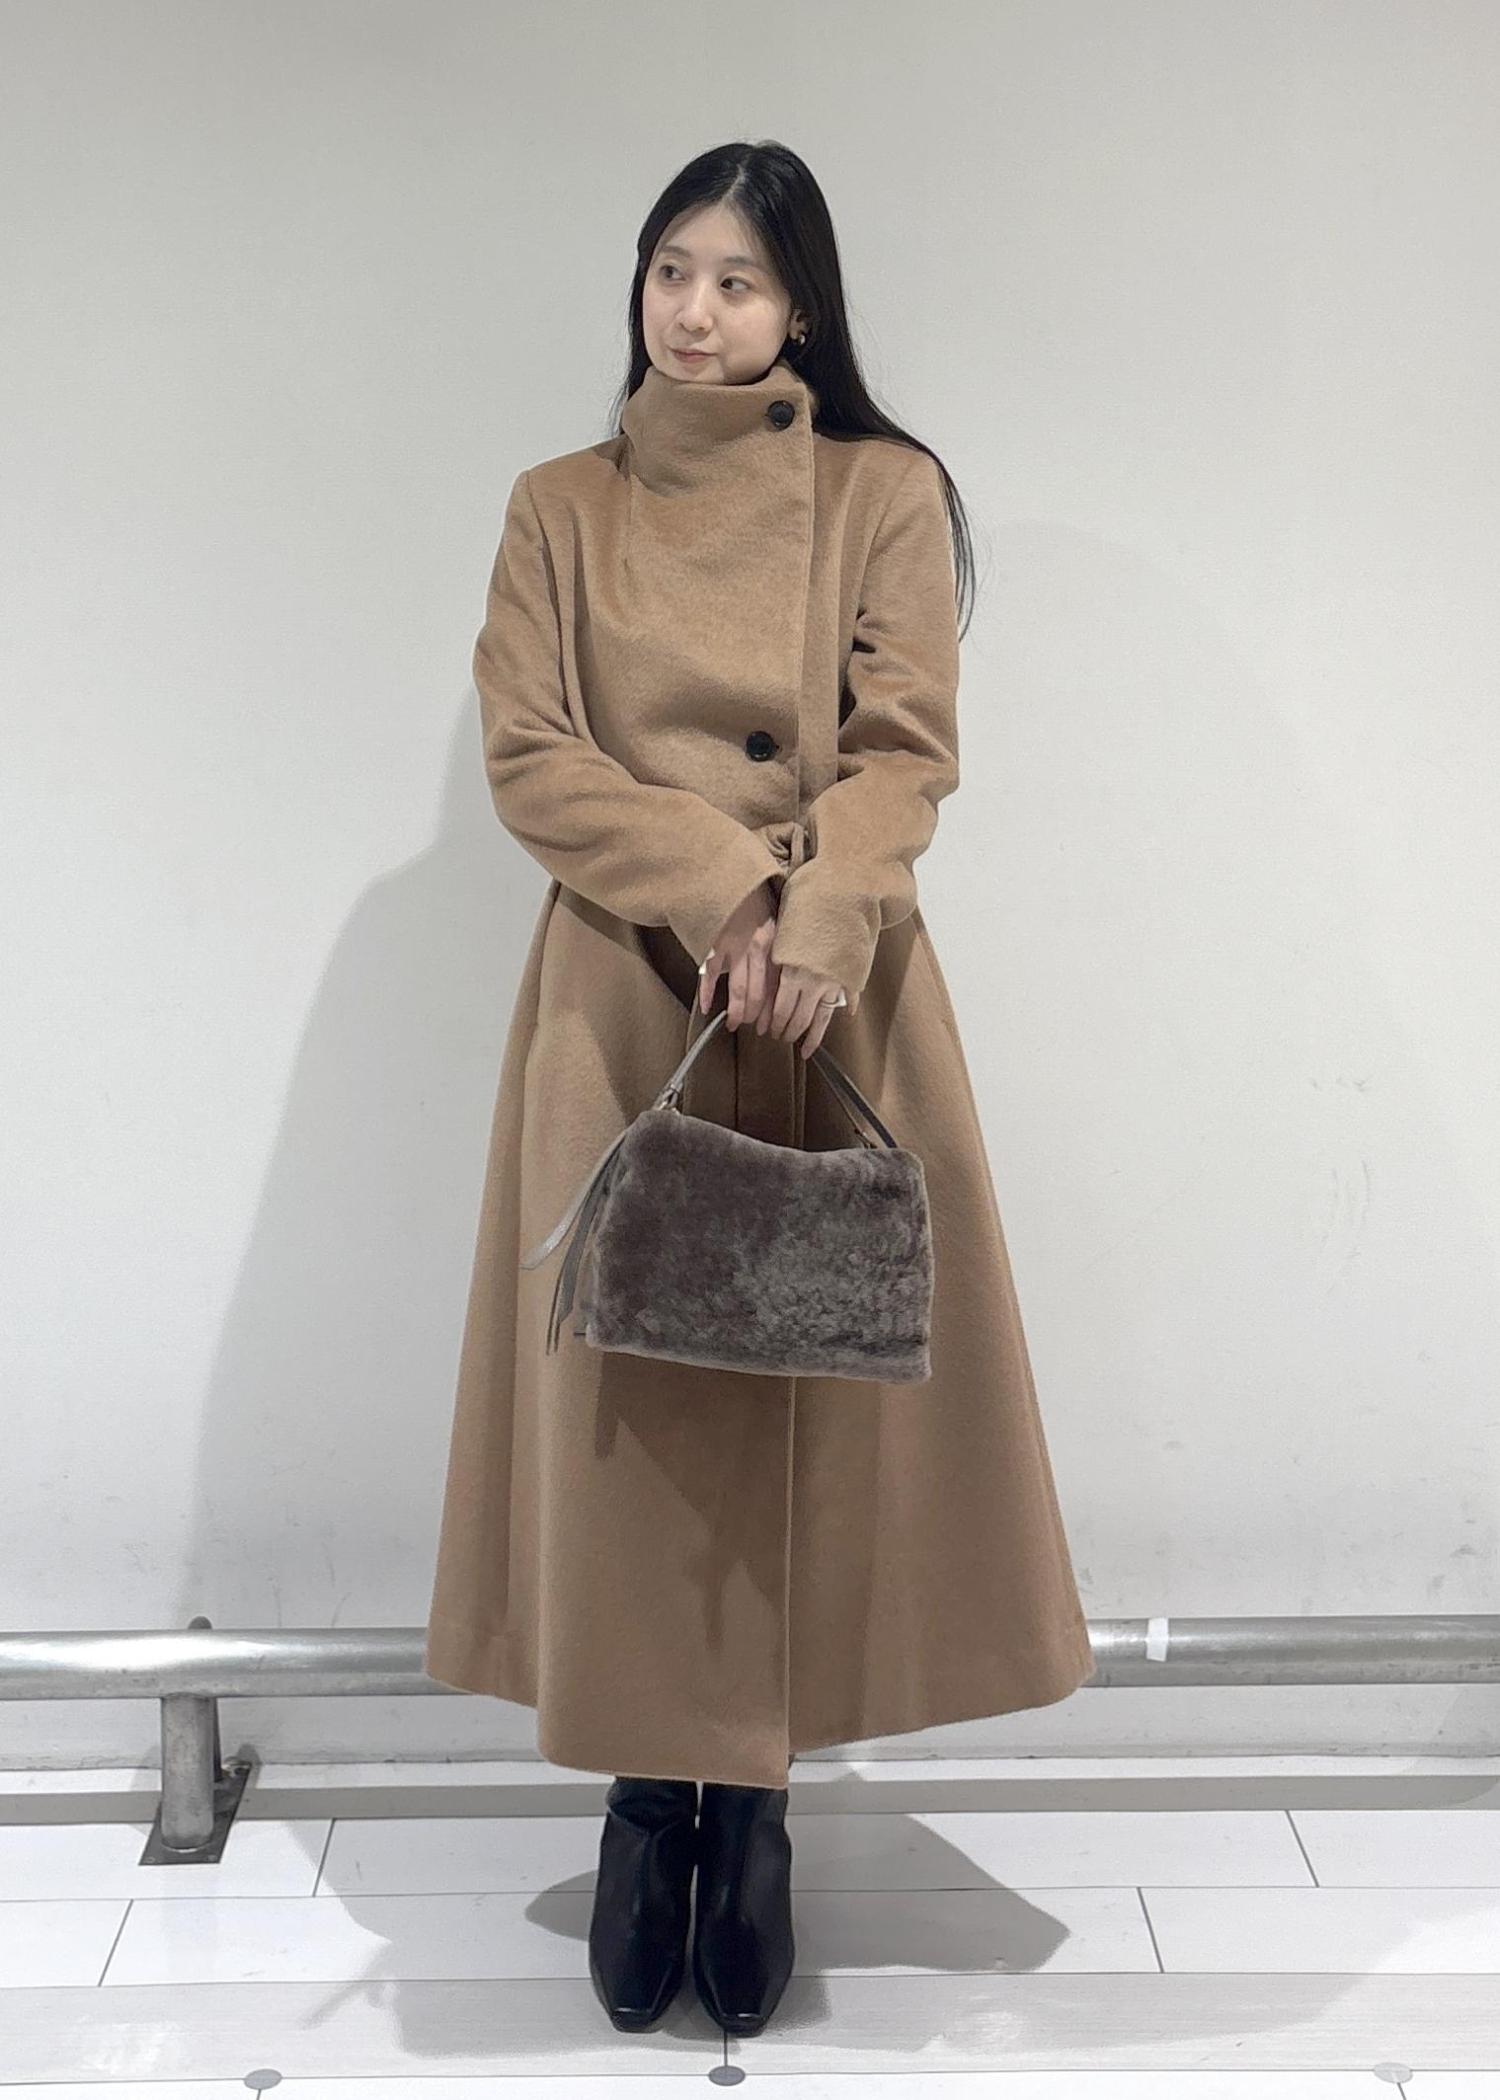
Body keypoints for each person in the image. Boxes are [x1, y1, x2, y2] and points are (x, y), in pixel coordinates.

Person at [423, 140, 1097, 2038]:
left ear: (803, 308)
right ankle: (651, 1797)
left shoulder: (884, 491)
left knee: (806, 1395)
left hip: (823, 999)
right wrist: (719, 883)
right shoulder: (558, 506)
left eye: (736, 279)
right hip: (624, 999)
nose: (695, 311)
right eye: (671, 270)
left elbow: (906, 750)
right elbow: (531, 755)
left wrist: (813, 916)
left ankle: (762, 1802)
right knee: (634, 1416)